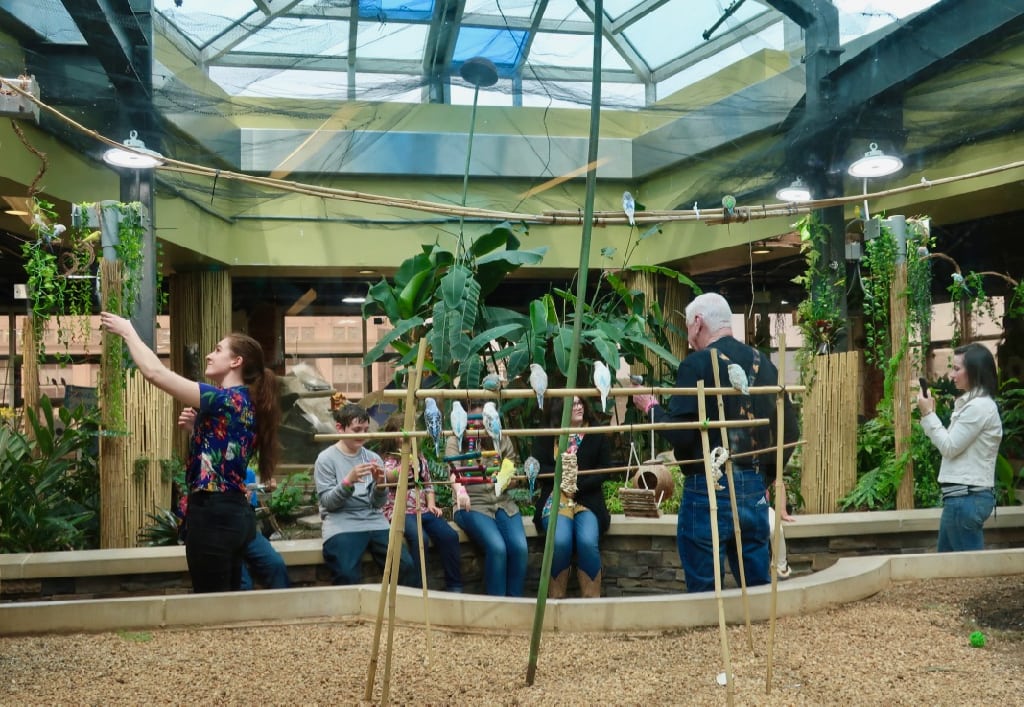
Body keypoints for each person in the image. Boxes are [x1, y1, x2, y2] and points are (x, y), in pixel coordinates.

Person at [100, 312, 280, 593]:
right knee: (228, 602)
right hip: (234, 514)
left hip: (215, 518)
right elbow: (226, 454)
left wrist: (127, 332)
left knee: (210, 604)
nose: (210, 355)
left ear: (236, 361)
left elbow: (155, 373)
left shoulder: (222, 400)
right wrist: (199, 430)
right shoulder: (243, 403)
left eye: (218, 350)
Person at [632, 292, 799, 593]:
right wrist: (767, 477)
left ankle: (707, 640)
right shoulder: (765, 365)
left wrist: (650, 408)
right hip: (754, 488)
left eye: (687, 328)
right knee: (758, 587)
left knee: (706, 594)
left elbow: (682, 433)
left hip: (707, 488)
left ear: (698, 323)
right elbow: (790, 432)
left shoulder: (696, 365)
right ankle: (760, 640)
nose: (687, 337)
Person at [314, 398, 414, 585]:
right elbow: (328, 504)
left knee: (406, 566)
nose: (362, 435)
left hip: (374, 521)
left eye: (366, 430)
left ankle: (401, 612)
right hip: (341, 523)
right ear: (340, 428)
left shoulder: (373, 457)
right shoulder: (325, 459)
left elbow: (378, 504)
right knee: (346, 574)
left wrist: (379, 484)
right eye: (356, 430)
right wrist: (348, 482)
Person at [917, 343, 1002, 552]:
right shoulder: (974, 404)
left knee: (969, 573)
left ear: (975, 371)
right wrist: (931, 415)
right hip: (961, 499)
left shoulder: (979, 407)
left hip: (966, 499)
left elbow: (949, 446)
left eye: (957, 369)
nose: (952, 374)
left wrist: (928, 415)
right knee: (947, 570)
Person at [531, 395, 612, 598]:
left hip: (587, 500)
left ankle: (591, 602)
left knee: (586, 541)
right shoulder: (549, 434)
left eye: (580, 403)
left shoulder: (597, 432)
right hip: (555, 498)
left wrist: (577, 485)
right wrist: (562, 479)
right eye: (573, 403)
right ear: (561, 408)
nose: (578, 407)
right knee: (560, 541)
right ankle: (556, 600)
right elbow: (539, 467)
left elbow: (605, 470)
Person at [446, 400, 528, 597]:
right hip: (472, 505)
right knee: (497, 547)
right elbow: (453, 473)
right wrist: (460, 492)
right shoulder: (455, 440)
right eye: (475, 420)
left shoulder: (500, 437)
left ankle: (515, 604)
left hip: (503, 503)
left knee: (520, 548)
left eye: (484, 420)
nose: (480, 424)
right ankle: (496, 606)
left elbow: (512, 467)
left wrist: (511, 479)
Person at [379, 414, 463, 592]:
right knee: (420, 538)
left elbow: (428, 484)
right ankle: (418, 589)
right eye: (401, 432)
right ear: (392, 435)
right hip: (399, 510)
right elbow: (389, 477)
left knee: (449, 536)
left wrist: (431, 504)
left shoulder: (419, 457)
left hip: (422, 508)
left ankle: (455, 586)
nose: (407, 437)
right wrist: (404, 466)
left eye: (411, 432)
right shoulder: (387, 460)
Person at [240, 467, 291, 590]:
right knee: (243, 584)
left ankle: (282, 606)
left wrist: (265, 488)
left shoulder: (247, 472)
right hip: (221, 534)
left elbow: (252, 496)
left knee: (276, 565)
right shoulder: (210, 472)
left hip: (247, 532)